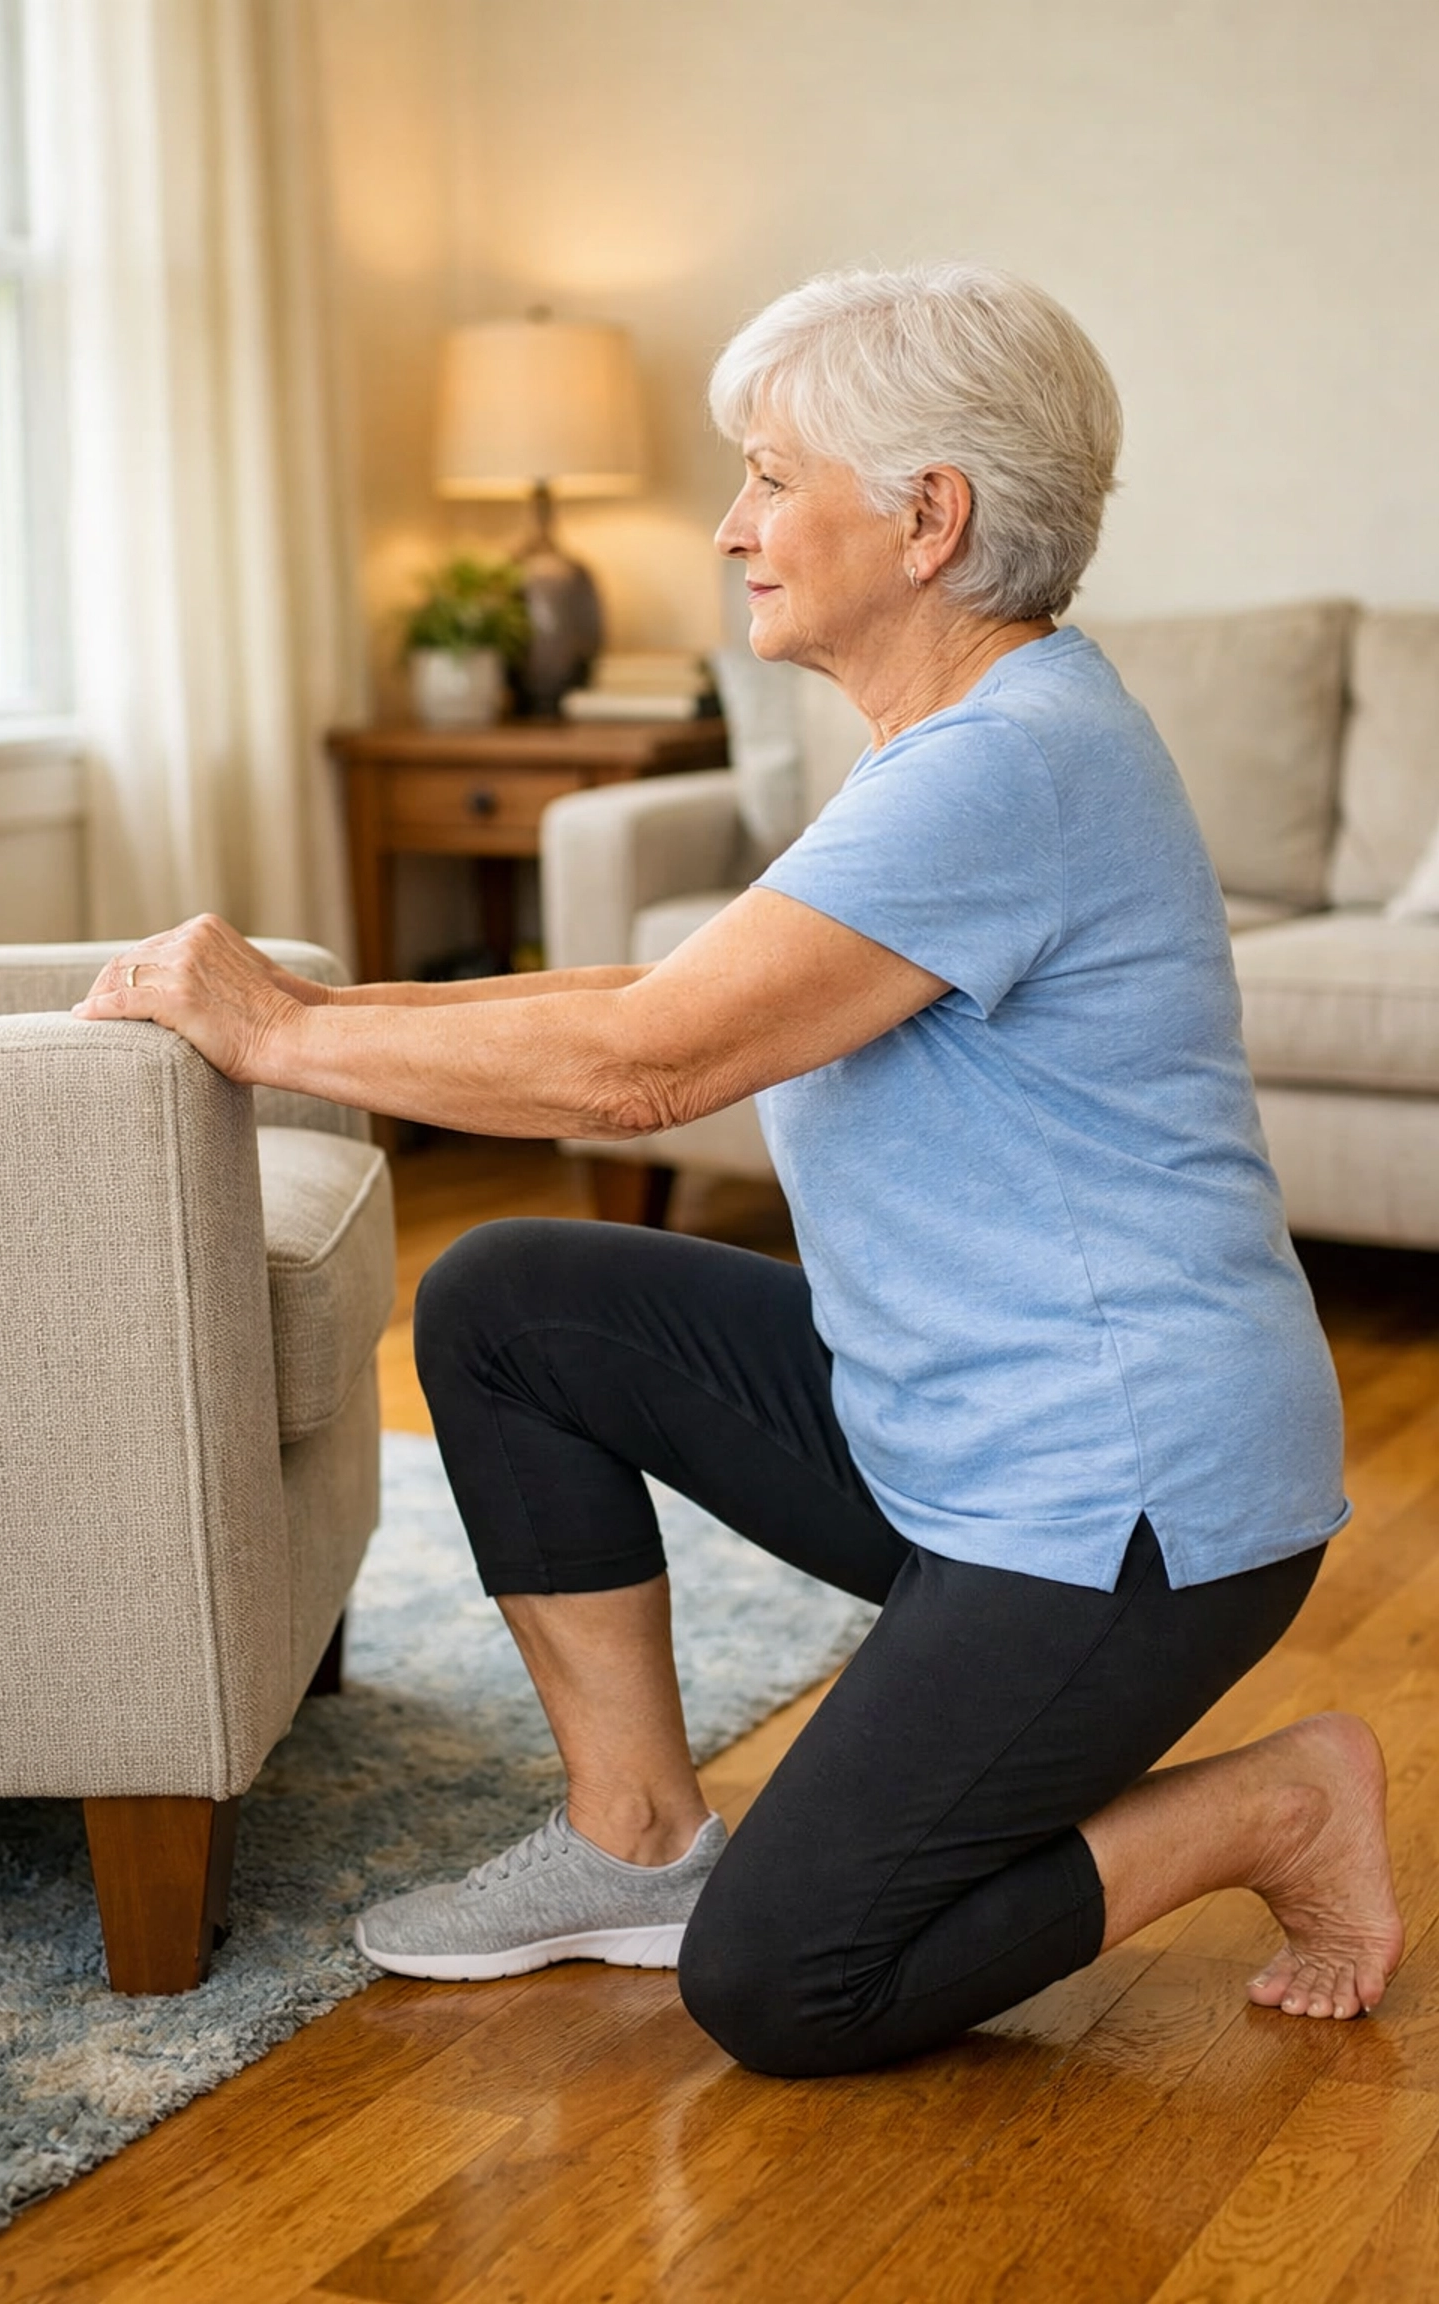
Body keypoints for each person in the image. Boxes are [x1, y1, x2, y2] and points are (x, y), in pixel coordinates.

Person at [75, 263, 1403, 2077]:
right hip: (954, 1435)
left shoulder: (1007, 769)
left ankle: (1277, 1806)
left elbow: (648, 1066)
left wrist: (282, 1037)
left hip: (1129, 1511)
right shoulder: (941, 744)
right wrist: (310, 999)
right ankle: (632, 1836)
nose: (732, 526)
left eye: (774, 477)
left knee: (788, 1981)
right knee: (513, 1301)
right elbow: (673, 993)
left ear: (929, 518)